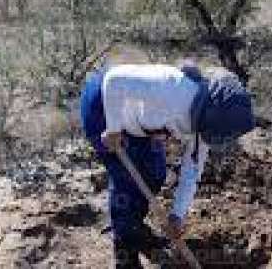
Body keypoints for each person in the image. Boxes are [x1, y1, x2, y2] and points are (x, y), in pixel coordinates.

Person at [79, 61, 256, 268]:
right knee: (127, 186)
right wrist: (114, 128)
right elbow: (114, 80)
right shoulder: (171, 88)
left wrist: (177, 216)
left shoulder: (204, 127)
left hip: (142, 125)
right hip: (106, 107)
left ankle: (136, 227)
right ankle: (124, 251)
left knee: (155, 173)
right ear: (214, 116)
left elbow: (192, 169)